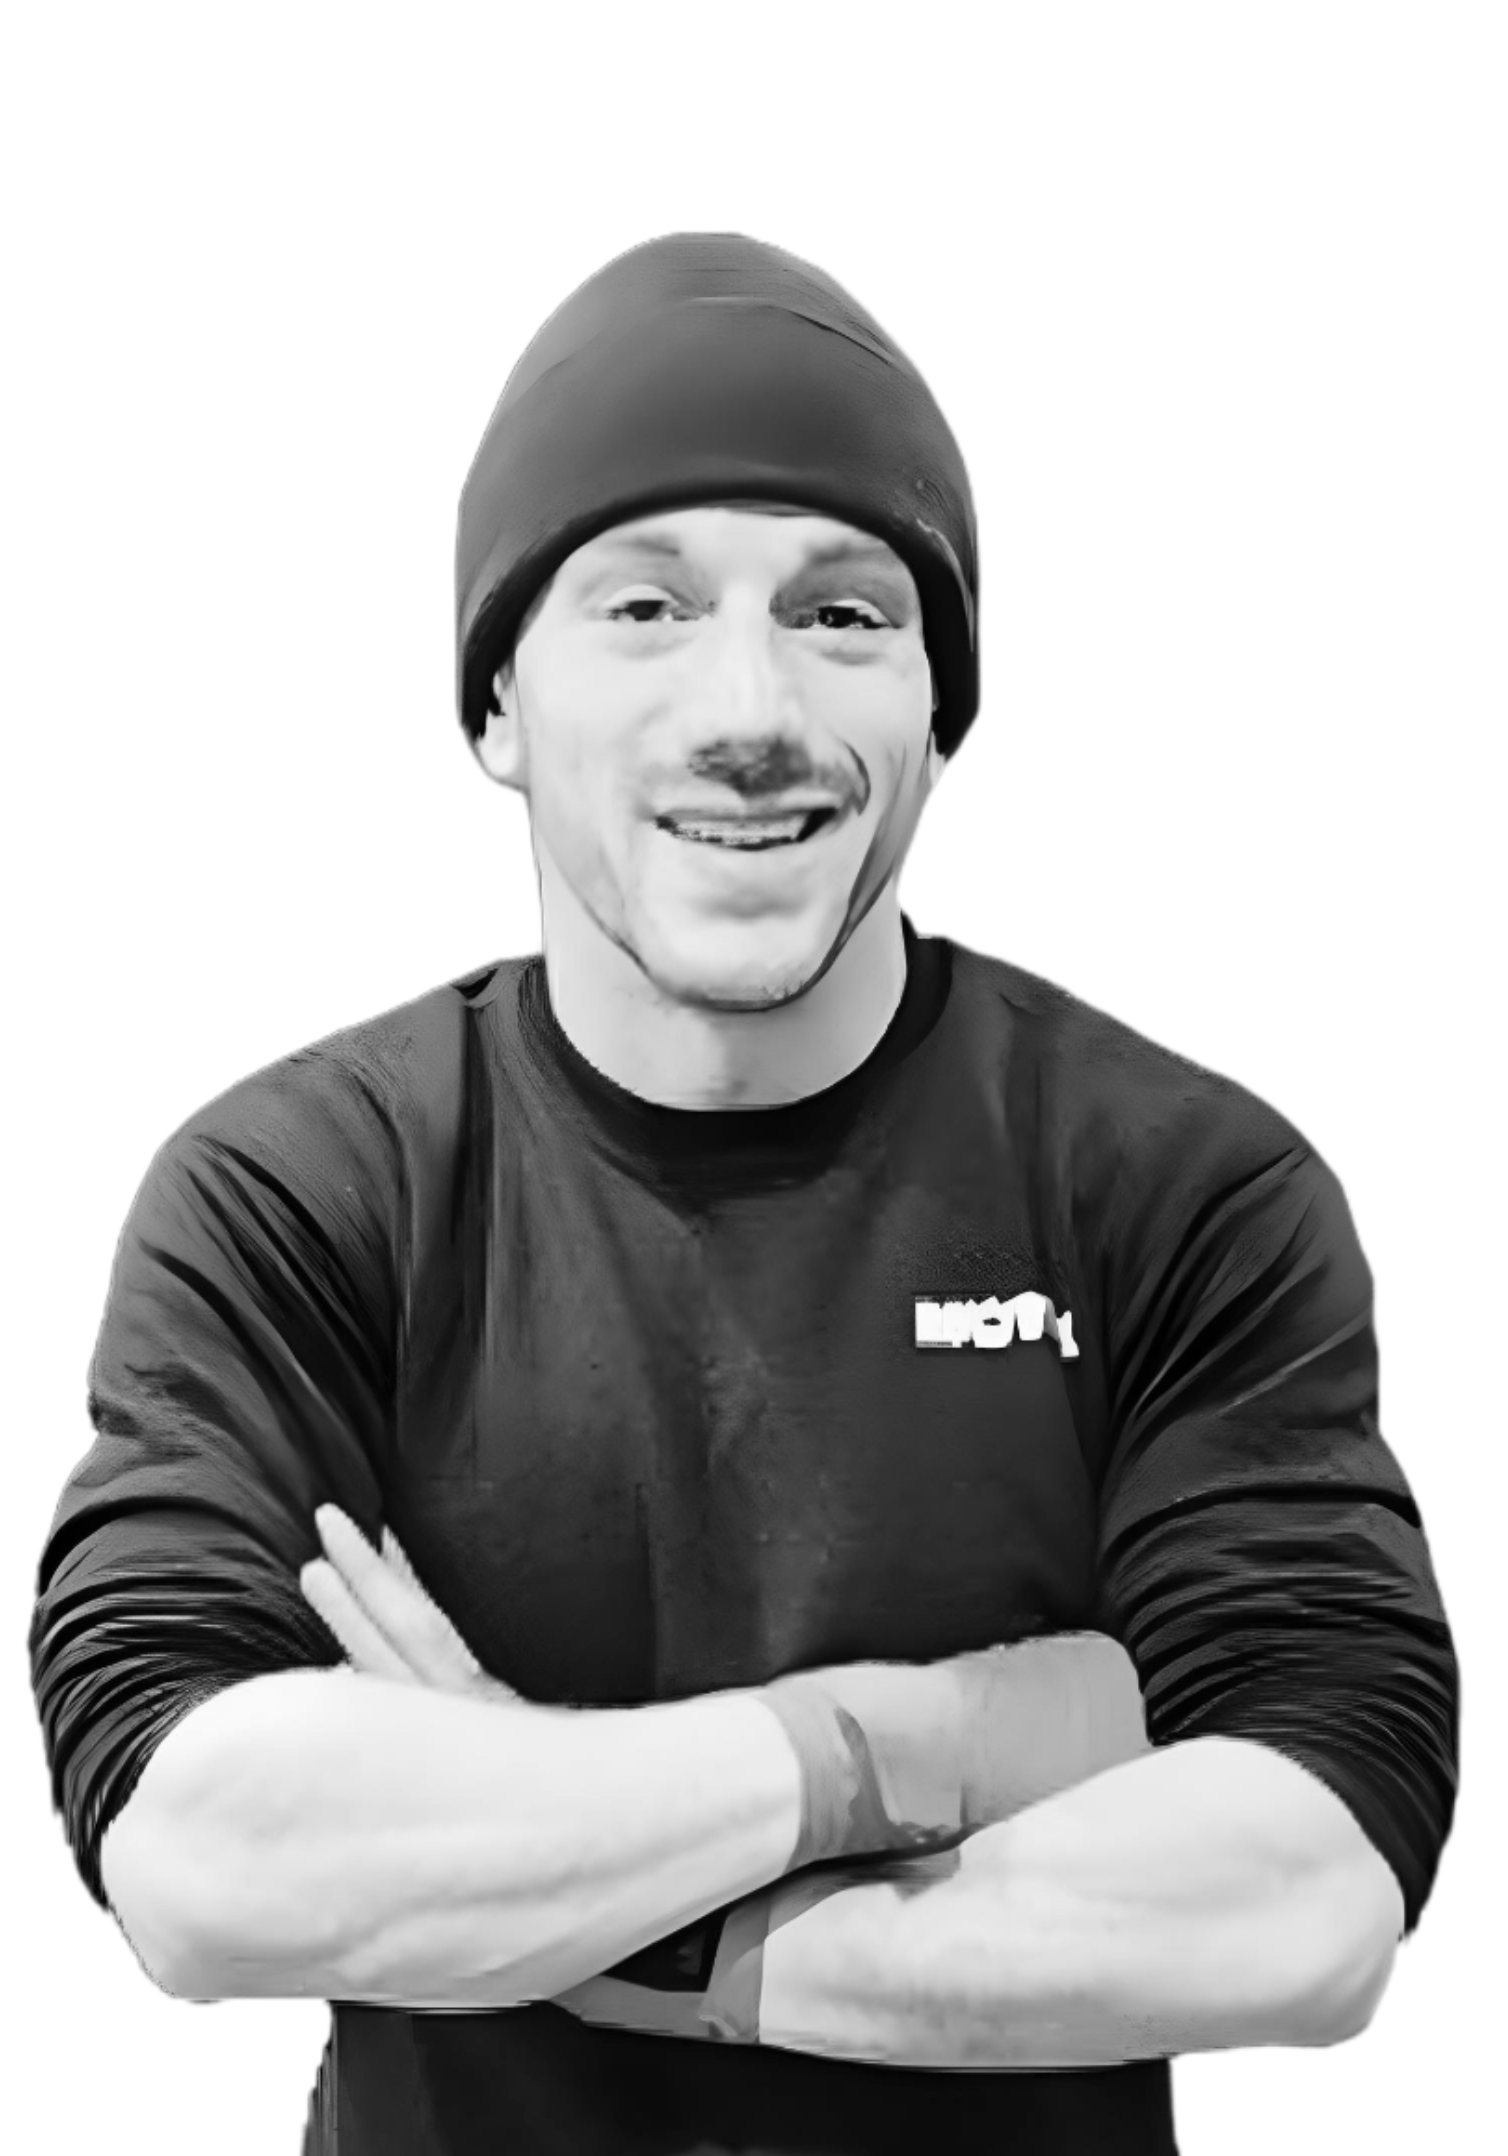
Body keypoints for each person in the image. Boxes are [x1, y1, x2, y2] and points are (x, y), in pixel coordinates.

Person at [30, 233, 1460, 2156]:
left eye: (845, 614)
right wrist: (908, 1747)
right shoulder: (301, 1190)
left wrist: (554, 1883)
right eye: (644, 605)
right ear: (497, 701)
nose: (751, 705)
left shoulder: (1182, 1186)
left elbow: (1307, 1902)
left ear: (937, 718)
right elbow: (205, 1861)